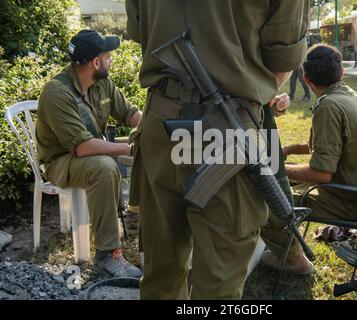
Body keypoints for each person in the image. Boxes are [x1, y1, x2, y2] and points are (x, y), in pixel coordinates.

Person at [125, 0, 309, 299]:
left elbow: (141, 32)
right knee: (218, 287)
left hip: (162, 121)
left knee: (161, 274)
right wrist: (246, 91)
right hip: (229, 131)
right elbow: (282, 61)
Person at [260, 44, 357, 272]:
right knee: (282, 181)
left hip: (354, 202)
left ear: (307, 80)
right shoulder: (351, 96)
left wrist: (278, 168)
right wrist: (287, 151)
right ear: (341, 73)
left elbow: (321, 173)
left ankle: (294, 261)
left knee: (265, 199)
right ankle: (284, 248)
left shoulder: (328, 106)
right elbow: (323, 148)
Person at [35, 30, 143, 278]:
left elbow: (129, 114)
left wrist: (151, 131)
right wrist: (130, 149)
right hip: (61, 161)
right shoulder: (56, 93)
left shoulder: (102, 82)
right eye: (108, 56)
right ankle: (107, 257)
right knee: (104, 167)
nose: (111, 60)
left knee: (150, 148)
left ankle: (138, 219)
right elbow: (82, 147)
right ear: (96, 62)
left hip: (91, 150)